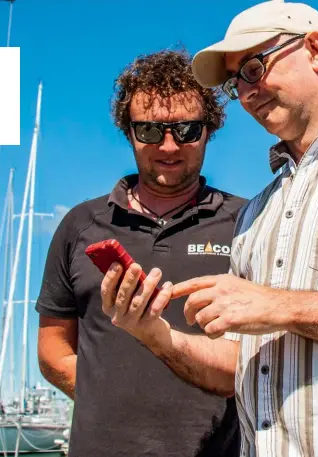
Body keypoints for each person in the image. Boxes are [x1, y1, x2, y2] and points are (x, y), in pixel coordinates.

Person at [100, 2, 318, 457]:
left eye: (254, 67)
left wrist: (282, 306)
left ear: (313, 50)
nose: (247, 92)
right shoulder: (257, 214)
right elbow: (238, 368)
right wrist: (153, 333)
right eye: (237, 82)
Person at [35, 49, 246, 457]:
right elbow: (53, 350)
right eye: (149, 131)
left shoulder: (250, 222)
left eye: (186, 130)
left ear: (209, 131)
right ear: (128, 132)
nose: (168, 146)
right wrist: (106, 398)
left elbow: (266, 357)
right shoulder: (80, 225)